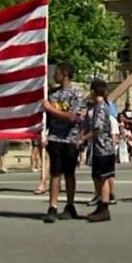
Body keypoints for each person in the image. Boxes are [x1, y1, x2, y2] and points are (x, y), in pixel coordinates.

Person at [41, 63, 84, 223]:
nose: (54, 75)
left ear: (65, 73)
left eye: (57, 72)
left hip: (70, 138)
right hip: (55, 138)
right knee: (55, 172)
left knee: (69, 173)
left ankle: (70, 204)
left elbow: (72, 117)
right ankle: (53, 206)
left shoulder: (76, 93)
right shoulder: (52, 94)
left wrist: (50, 109)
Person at [80, 79, 115, 222]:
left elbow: (98, 128)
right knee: (99, 177)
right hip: (100, 148)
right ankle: (101, 205)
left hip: (103, 148)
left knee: (103, 177)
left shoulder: (100, 107)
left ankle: (104, 207)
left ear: (94, 91)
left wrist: (83, 138)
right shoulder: (97, 106)